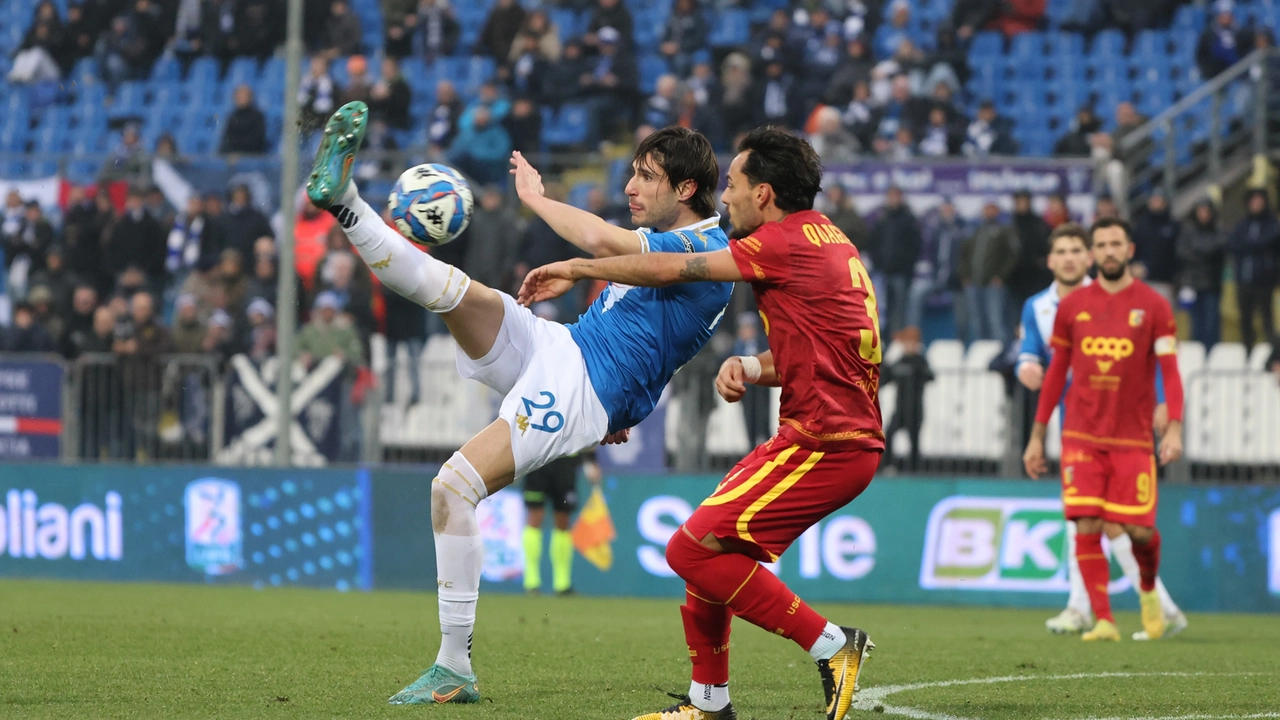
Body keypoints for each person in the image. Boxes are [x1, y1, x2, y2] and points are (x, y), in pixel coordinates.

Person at [305, 103, 732, 706]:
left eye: (646, 177)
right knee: (446, 289)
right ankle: (344, 199)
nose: (630, 186)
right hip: (566, 348)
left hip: (583, 383)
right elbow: (659, 340)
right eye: (631, 172)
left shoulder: (704, 247)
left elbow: (599, 241)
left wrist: (534, 197)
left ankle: (454, 667)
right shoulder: (676, 241)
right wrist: (629, 407)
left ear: (687, 188)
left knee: (451, 488)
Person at [519, 126, 879, 720]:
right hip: (823, 434)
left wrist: (582, 268)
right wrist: (754, 366)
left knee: (689, 551)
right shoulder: (830, 240)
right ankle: (709, 703)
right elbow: (837, 347)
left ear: (764, 194)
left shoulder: (778, 241)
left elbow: (674, 271)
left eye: (734, 186)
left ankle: (833, 646)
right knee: (709, 545)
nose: (727, 198)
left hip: (826, 441)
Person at [1016, 223, 1187, 639]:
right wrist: (1036, 423)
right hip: (1080, 430)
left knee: (1133, 529)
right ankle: (1096, 615)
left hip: (1129, 432)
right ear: (1053, 259)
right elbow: (1042, 362)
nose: (1074, 256)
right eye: (1066, 250)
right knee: (1086, 522)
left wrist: (1171, 414)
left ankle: (1154, 599)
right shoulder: (1045, 307)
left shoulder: (1150, 305)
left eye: (1081, 249)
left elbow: (1167, 367)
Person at [522, 452, 599, 595]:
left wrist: (590, 460)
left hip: (566, 462)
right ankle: (531, 581)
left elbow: (585, 431)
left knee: (563, 520)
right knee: (535, 517)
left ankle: (562, 583)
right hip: (538, 459)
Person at [959, 201, 1018, 344]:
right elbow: (964, 254)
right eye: (986, 209)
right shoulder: (975, 230)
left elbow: (1012, 255)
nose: (988, 212)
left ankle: (1001, 354)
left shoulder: (1004, 230)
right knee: (977, 321)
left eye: (992, 209)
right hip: (974, 282)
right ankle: (982, 353)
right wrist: (965, 275)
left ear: (997, 211)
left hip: (993, 284)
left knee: (995, 320)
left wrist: (1001, 276)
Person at [1227, 189, 1279, 348]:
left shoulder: (1272, 223)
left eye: (1259, 200)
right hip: (1244, 278)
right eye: (1253, 200)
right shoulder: (1242, 224)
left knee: (1266, 319)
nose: (1256, 204)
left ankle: (1273, 355)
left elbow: (1267, 242)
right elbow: (1233, 245)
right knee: (1245, 319)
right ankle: (1247, 350)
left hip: (1264, 279)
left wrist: (1249, 245)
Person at [869, 186, 921, 339]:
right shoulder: (882, 218)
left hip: (900, 274)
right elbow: (874, 243)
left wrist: (905, 268)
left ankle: (895, 343)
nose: (893, 200)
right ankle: (880, 342)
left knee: (898, 312)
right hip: (882, 273)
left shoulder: (909, 219)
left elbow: (915, 247)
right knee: (879, 311)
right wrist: (877, 264)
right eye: (890, 196)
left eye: (896, 196)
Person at [1176, 199, 1227, 347]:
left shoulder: (1217, 230)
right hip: (1192, 284)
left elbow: (1220, 249)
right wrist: (1206, 252)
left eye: (1206, 211)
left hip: (1212, 285)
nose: (1203, 214)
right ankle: (1197, 356)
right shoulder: (1188, 231)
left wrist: (1198, 251)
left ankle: (1212, 355)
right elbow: (1181, 252)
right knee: (1195, 324)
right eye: (1201, 211)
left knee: (1212, 324)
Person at [882, 326, 932, 471]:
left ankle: (914, 470)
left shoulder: (920, 361)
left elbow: (930, 376)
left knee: (914, 441)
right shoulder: (899, 360)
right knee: (889, 435)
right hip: (900, 409)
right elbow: (885, 379)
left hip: (916, 409)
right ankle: (888, 465)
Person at [1130, 191, 1180, 306]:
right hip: (1143, 281)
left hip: (1165, 282)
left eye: (1158, 200)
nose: (1155, 203)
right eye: (1153, 200)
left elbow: (1177, 254)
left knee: (1163, 320)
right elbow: (1132, 249)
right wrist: (1133, 265)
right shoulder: (1141, 226)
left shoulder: (1173, 226)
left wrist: (1176, 279)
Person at [220, 85, 268, 155]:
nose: (242, 98)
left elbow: (258, 140)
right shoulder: (232, 116)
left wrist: (240, 153)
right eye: (239, 96)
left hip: (251, 155)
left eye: (245, 95)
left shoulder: (257, 116)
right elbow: (227, 138)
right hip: (233, 154)